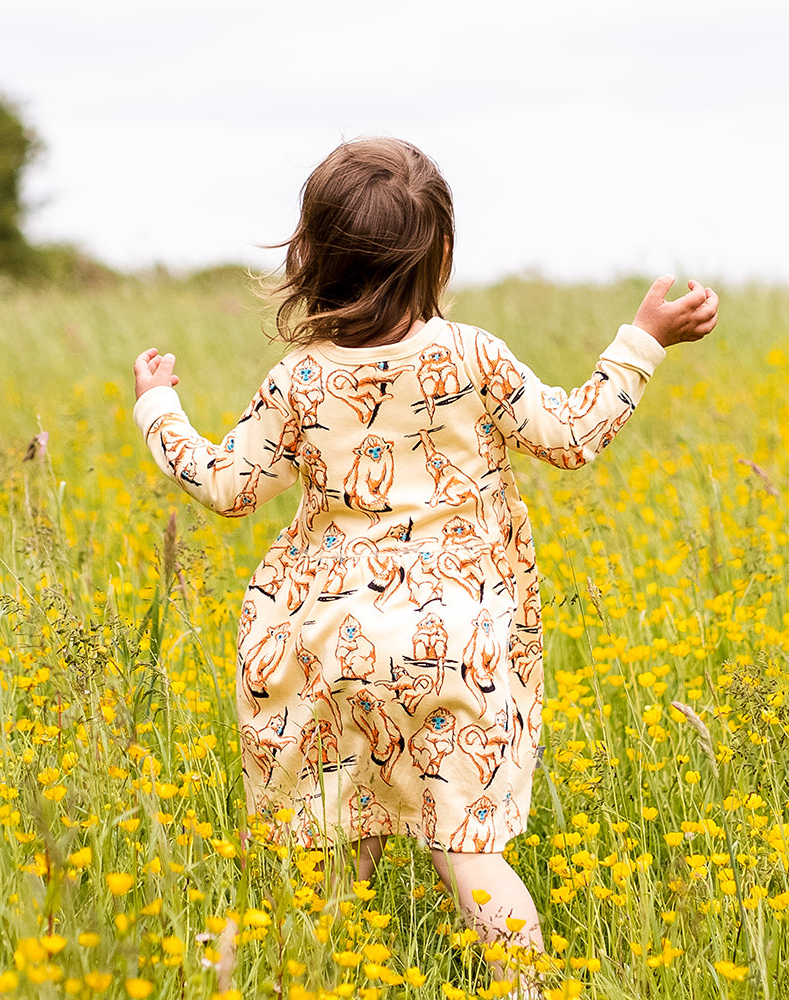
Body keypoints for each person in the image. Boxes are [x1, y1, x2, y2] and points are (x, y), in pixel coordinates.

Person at [132, 137, 718, 993]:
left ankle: (321, 978)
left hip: (326, 644)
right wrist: (640, 341)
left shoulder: (296, 380)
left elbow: (228, 485)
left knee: (337, 841)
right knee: (465, 846)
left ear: (312, 257)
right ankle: (526, 986)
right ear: (440, 252)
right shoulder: (471, 357)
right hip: (456, 643)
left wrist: (159, 409)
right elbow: (571, 435)